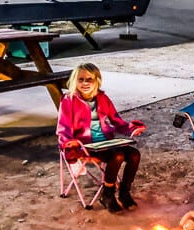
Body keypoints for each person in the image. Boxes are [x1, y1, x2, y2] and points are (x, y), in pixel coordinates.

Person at [57, 63, 146, 212]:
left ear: (97, 80)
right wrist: (68, 143)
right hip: (85, 145)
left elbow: (117, 121)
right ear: (74, 81)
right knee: (117, 156)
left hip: (106, 141)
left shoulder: (103, 98)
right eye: (81, 79)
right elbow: (63, 127)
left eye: (89, 79)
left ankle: (124, 192)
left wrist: (132, 129)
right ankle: (108, 194)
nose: (85, 83)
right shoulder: (68, 100)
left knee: (134, 154)